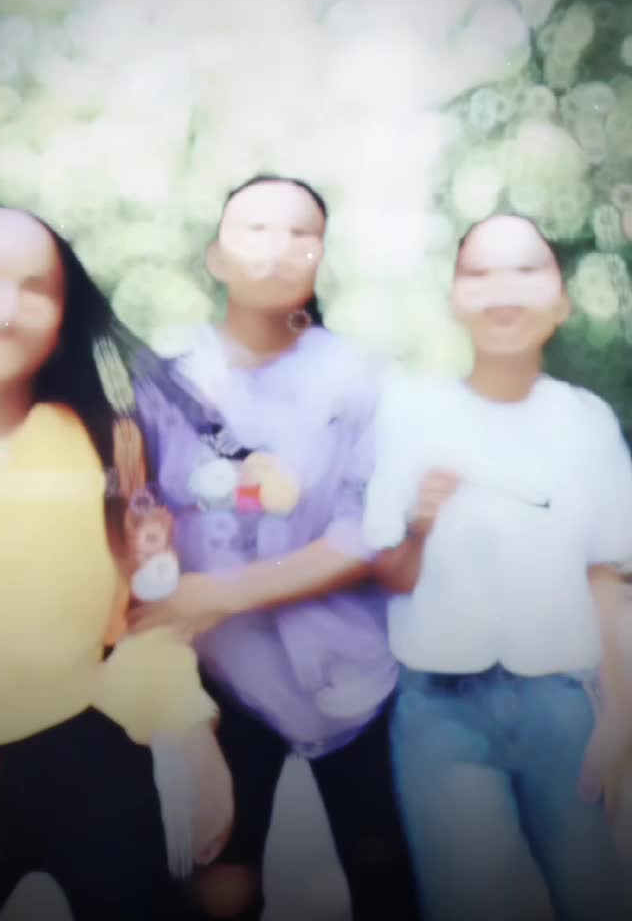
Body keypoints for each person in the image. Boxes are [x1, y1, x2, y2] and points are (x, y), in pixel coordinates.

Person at [0, 205, 233, 921]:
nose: (4, 307)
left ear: (63, 319)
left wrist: (188, 730)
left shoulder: (108, 445)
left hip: (88, 743)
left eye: (36, 286)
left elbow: (149, 604)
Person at [131, 175, 423, 921]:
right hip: (221, 679)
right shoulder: (160, 380)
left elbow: (370, 532)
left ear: (322, 255)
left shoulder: (365, 380)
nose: (278, 247)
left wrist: (223, 592)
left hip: (355, 677)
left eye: (301, 233)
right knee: (218, 887)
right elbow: (132, 507)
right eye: (254, 229)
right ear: (215, 256)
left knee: (386, 881)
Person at [363, 213, 632, 921]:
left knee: (596, 898)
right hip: (440, 712)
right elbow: (391, 574)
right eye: (479, 273)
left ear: (561, 300)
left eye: (526, 269)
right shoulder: (410, 412)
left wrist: (620, 721)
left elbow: (606, 577)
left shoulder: (587, 421)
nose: (502, 291)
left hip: (564, 709)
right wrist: (420, 525)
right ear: (454, 298)